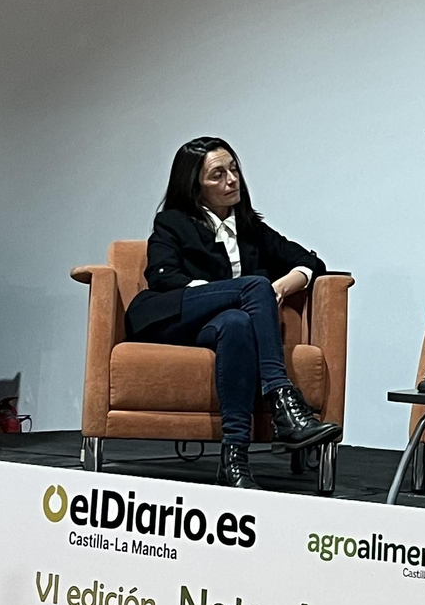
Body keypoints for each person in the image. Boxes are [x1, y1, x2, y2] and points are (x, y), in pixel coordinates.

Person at [125, 137, 340, 489]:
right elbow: (162, 276)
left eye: (234, 169)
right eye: (217, 175)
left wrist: (282, 287)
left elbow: (311, 262)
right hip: (169, 316)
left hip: (215, 327)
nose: (232, 180)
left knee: (238, 322)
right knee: (253, 287)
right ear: (194, 187)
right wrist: (228, 294)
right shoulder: (172, 222)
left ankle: (234, 459)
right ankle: (282, 400)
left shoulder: (250, 227)